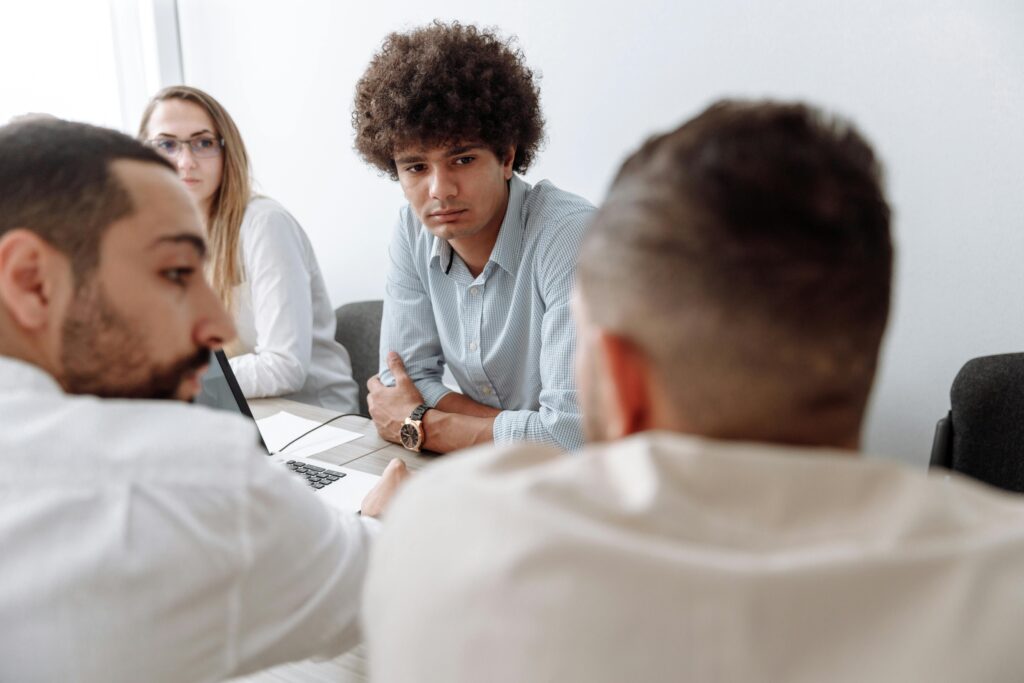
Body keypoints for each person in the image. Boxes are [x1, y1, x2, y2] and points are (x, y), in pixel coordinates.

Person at [362, 101, 1024, 682]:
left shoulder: (446, 548)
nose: (437, 186)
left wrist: (397, 515)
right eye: (414, 166)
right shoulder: (1006, 586)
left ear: (621, 381)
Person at [0, 118, 407, 683]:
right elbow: (394, 583)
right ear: (31, 283)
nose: (215, 325)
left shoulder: (263, 222)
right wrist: (382, 523)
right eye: (173, 273)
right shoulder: (180, 480)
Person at [353, 21, 595, 453]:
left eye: (461, 159)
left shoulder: (570, 236)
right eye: (415, 167)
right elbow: (403, 381)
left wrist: (422, 426)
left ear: (506, 157)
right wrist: (524, 432)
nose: (439, 190)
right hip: (494, 477)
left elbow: (572, 437)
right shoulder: (411, 230)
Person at [138, 85, 359, 413]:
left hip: (311, 419)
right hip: (228, 411)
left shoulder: (265, 224)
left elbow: (284, 367)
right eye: (167, 145)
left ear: (227, 151)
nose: (186, 162)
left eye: (203, 143)